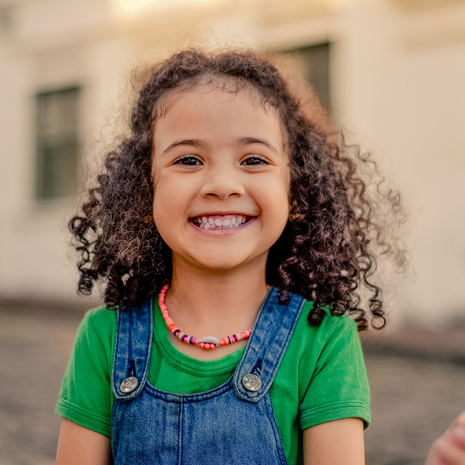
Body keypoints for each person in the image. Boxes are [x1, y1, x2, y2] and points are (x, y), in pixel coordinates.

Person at [56, 48, 409, 464]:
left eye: (254, 160)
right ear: (144, 190)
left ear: (295, 191)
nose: (222, 184)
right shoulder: (104, 338)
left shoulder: (325, 341)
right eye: (188, 159)